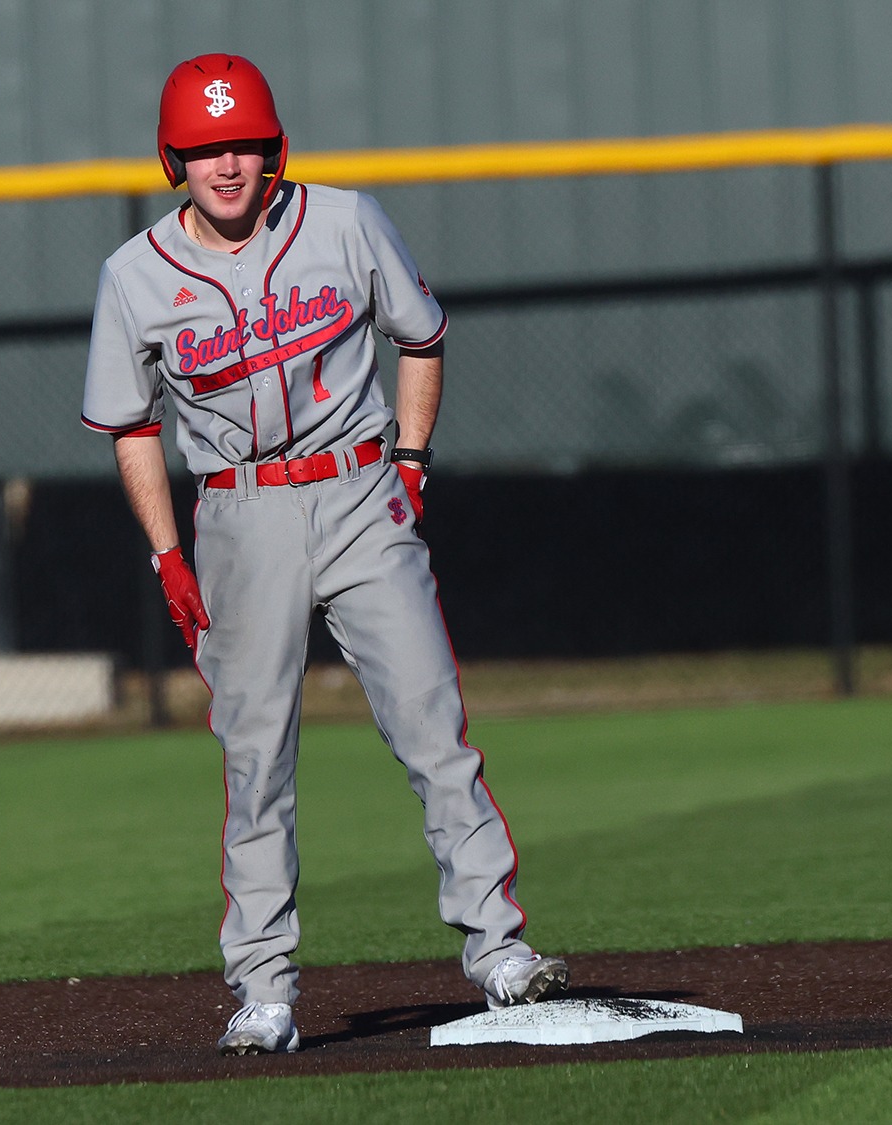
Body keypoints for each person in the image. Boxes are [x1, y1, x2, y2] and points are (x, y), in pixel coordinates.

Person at [81, 53, 567, 1056]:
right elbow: (130, 424)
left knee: (433, 729)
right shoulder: (133, 275)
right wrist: (167, 555)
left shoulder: (343, 222)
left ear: (274, 150)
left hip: (356, 492)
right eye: (207, 147)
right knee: (256, 761)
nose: (227, 164)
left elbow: (420, 337)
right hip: (237, 515)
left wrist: (411, 463)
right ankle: (262, 987)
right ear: (175, 158)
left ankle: (498, 953)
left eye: (243, 144)